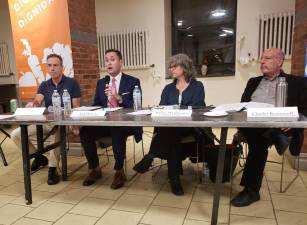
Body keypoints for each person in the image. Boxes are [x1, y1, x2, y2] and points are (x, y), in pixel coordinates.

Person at [231, 48, 307, 207]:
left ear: (279, 61)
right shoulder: (253, 81)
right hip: (253, 124)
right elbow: (243, 105)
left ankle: (251, 190)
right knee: (257, 136)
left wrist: (291, 121)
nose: (262, 61)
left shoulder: (296, 82)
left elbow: (304, 110)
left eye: (267, 58)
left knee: (258, 141)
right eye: (261, 58)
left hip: (280, 126)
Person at [133, 53, 205, 196]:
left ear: (185, 67)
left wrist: (176, 111)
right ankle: (174, 179)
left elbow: (197, 108)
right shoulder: (168, 88)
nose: (171, 69)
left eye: (174, 66)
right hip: (171, 129)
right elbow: (161, 109)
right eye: (170, 67)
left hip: (190, 127)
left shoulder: (197, 86)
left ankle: (151, 154)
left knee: (172, 131)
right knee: (172, 134)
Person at [11, 53, 81, 185]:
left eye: (55, 65)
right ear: (47, 68)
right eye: (49, 65)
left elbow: (76, 106)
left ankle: (53, 168)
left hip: (65, 122)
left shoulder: (72, 83)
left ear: (62, 67)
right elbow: (38, 100)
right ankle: (38, 157)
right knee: (16, 134)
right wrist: (33, 104)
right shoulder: (44, 84)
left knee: (59, 133)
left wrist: (76, 125)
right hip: (48, 122)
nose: (52, 68)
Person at [80, 49, 142, 189]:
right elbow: (96, 104)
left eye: (112, 59)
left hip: (124, 123)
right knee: (85, 132)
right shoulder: (102, 82)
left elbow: (136, 107)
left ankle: (119, 171)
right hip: (105, 122)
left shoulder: (133, 81)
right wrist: (89, 112)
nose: (109, 62)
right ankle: (95, 168)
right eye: (107, 60)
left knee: (117, 129)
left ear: (120, 62)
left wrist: (118, 96)